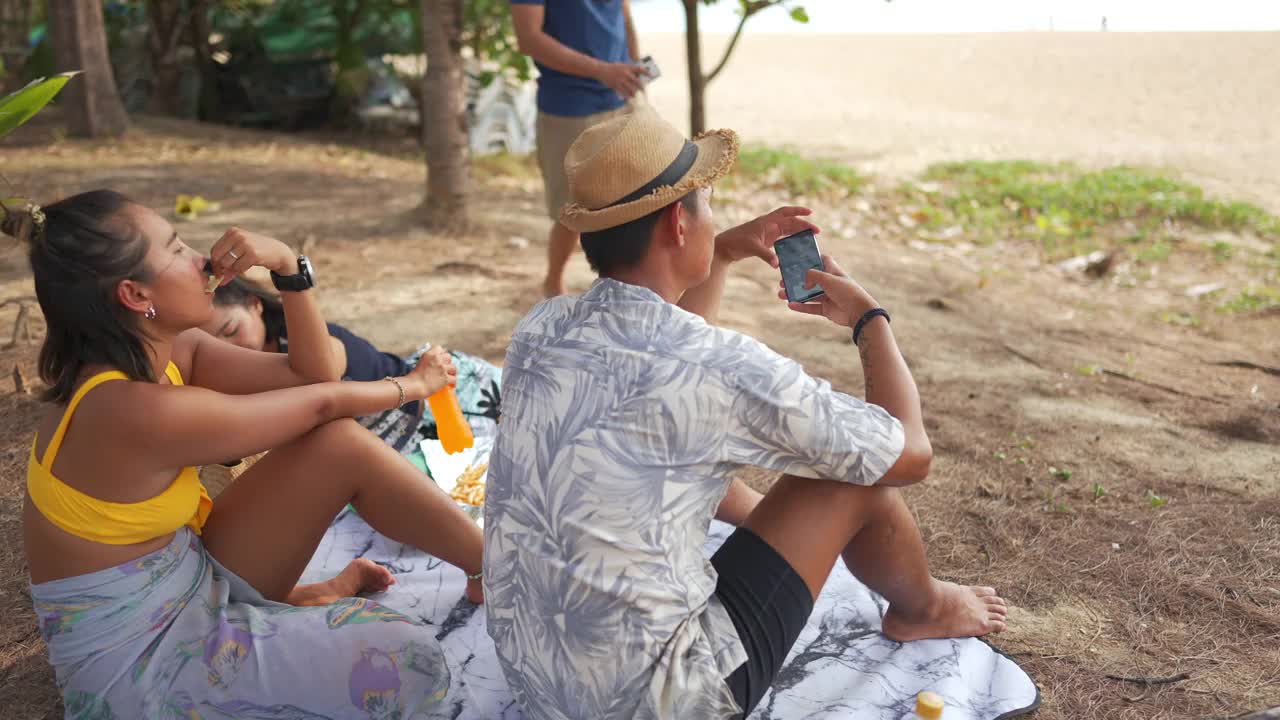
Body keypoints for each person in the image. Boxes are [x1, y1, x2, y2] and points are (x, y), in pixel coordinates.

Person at [483, 104, 1009, 719]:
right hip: (656, 702)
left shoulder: (540, 327)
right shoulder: (716, 364)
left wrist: (724, 252)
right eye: (707, 202)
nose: (714, 216)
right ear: (678, 224)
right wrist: (870, 321)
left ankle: (888, 587)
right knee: (849, 481)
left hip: (537, 678)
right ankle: (925, 608)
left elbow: (668, 381)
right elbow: (905, 454)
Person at [6, 191, 484, 719]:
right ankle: (290, 611)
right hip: (147, 668)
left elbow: (311, 372)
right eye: (177, 247)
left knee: (338, 446)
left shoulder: (165, 351)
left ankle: (492, 569)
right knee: (405, 658)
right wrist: (410, 384)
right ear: (136, 293)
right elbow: (318, 402)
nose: (202, 260)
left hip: (189, 584)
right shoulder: (128, 410)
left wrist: (288, 268)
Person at [202, 277, 502, 453]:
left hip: (447, 400)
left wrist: (288, 270)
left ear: (255, 305)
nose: (228, 349)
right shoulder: (217, 373)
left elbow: (321, 384)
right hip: (399, 444)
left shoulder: (308, 346)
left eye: (230, 331)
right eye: (211, 344)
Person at [509, 0, 649, 297]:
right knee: (572, 211)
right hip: (569, 108)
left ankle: (625, 291)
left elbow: (624, 17)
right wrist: (602, 70)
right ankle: (553, 284)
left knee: (637, 202)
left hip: (625, 99)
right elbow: (529, 39)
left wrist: (637, 73)